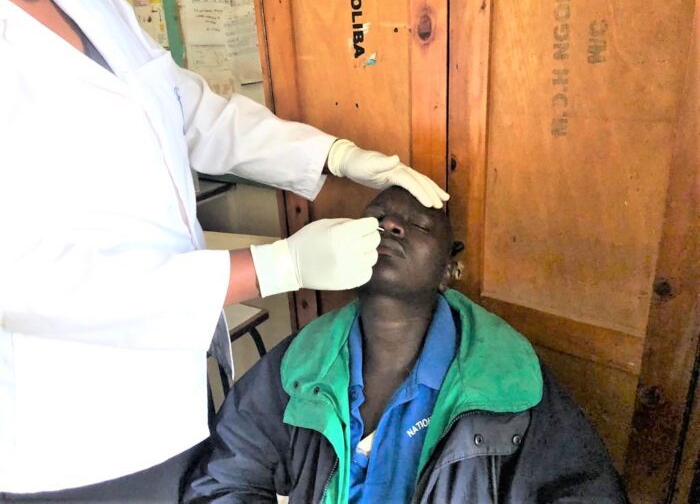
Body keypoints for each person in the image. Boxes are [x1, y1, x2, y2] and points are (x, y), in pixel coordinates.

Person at [0, 0, 449, 500]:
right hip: (73, 429)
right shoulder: (301, 374)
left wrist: (331, 155)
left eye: (416, 226)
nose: (392, 228)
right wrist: (275, 268)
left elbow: (187, 109)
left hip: (178, 396)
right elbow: (26, 282)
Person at [185, 186, 628, 504]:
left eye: (418, 225)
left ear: (448, 271)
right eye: (376, 219)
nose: (391, 226)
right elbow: (224, 479)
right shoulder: (303, 364)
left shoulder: (505, 377)